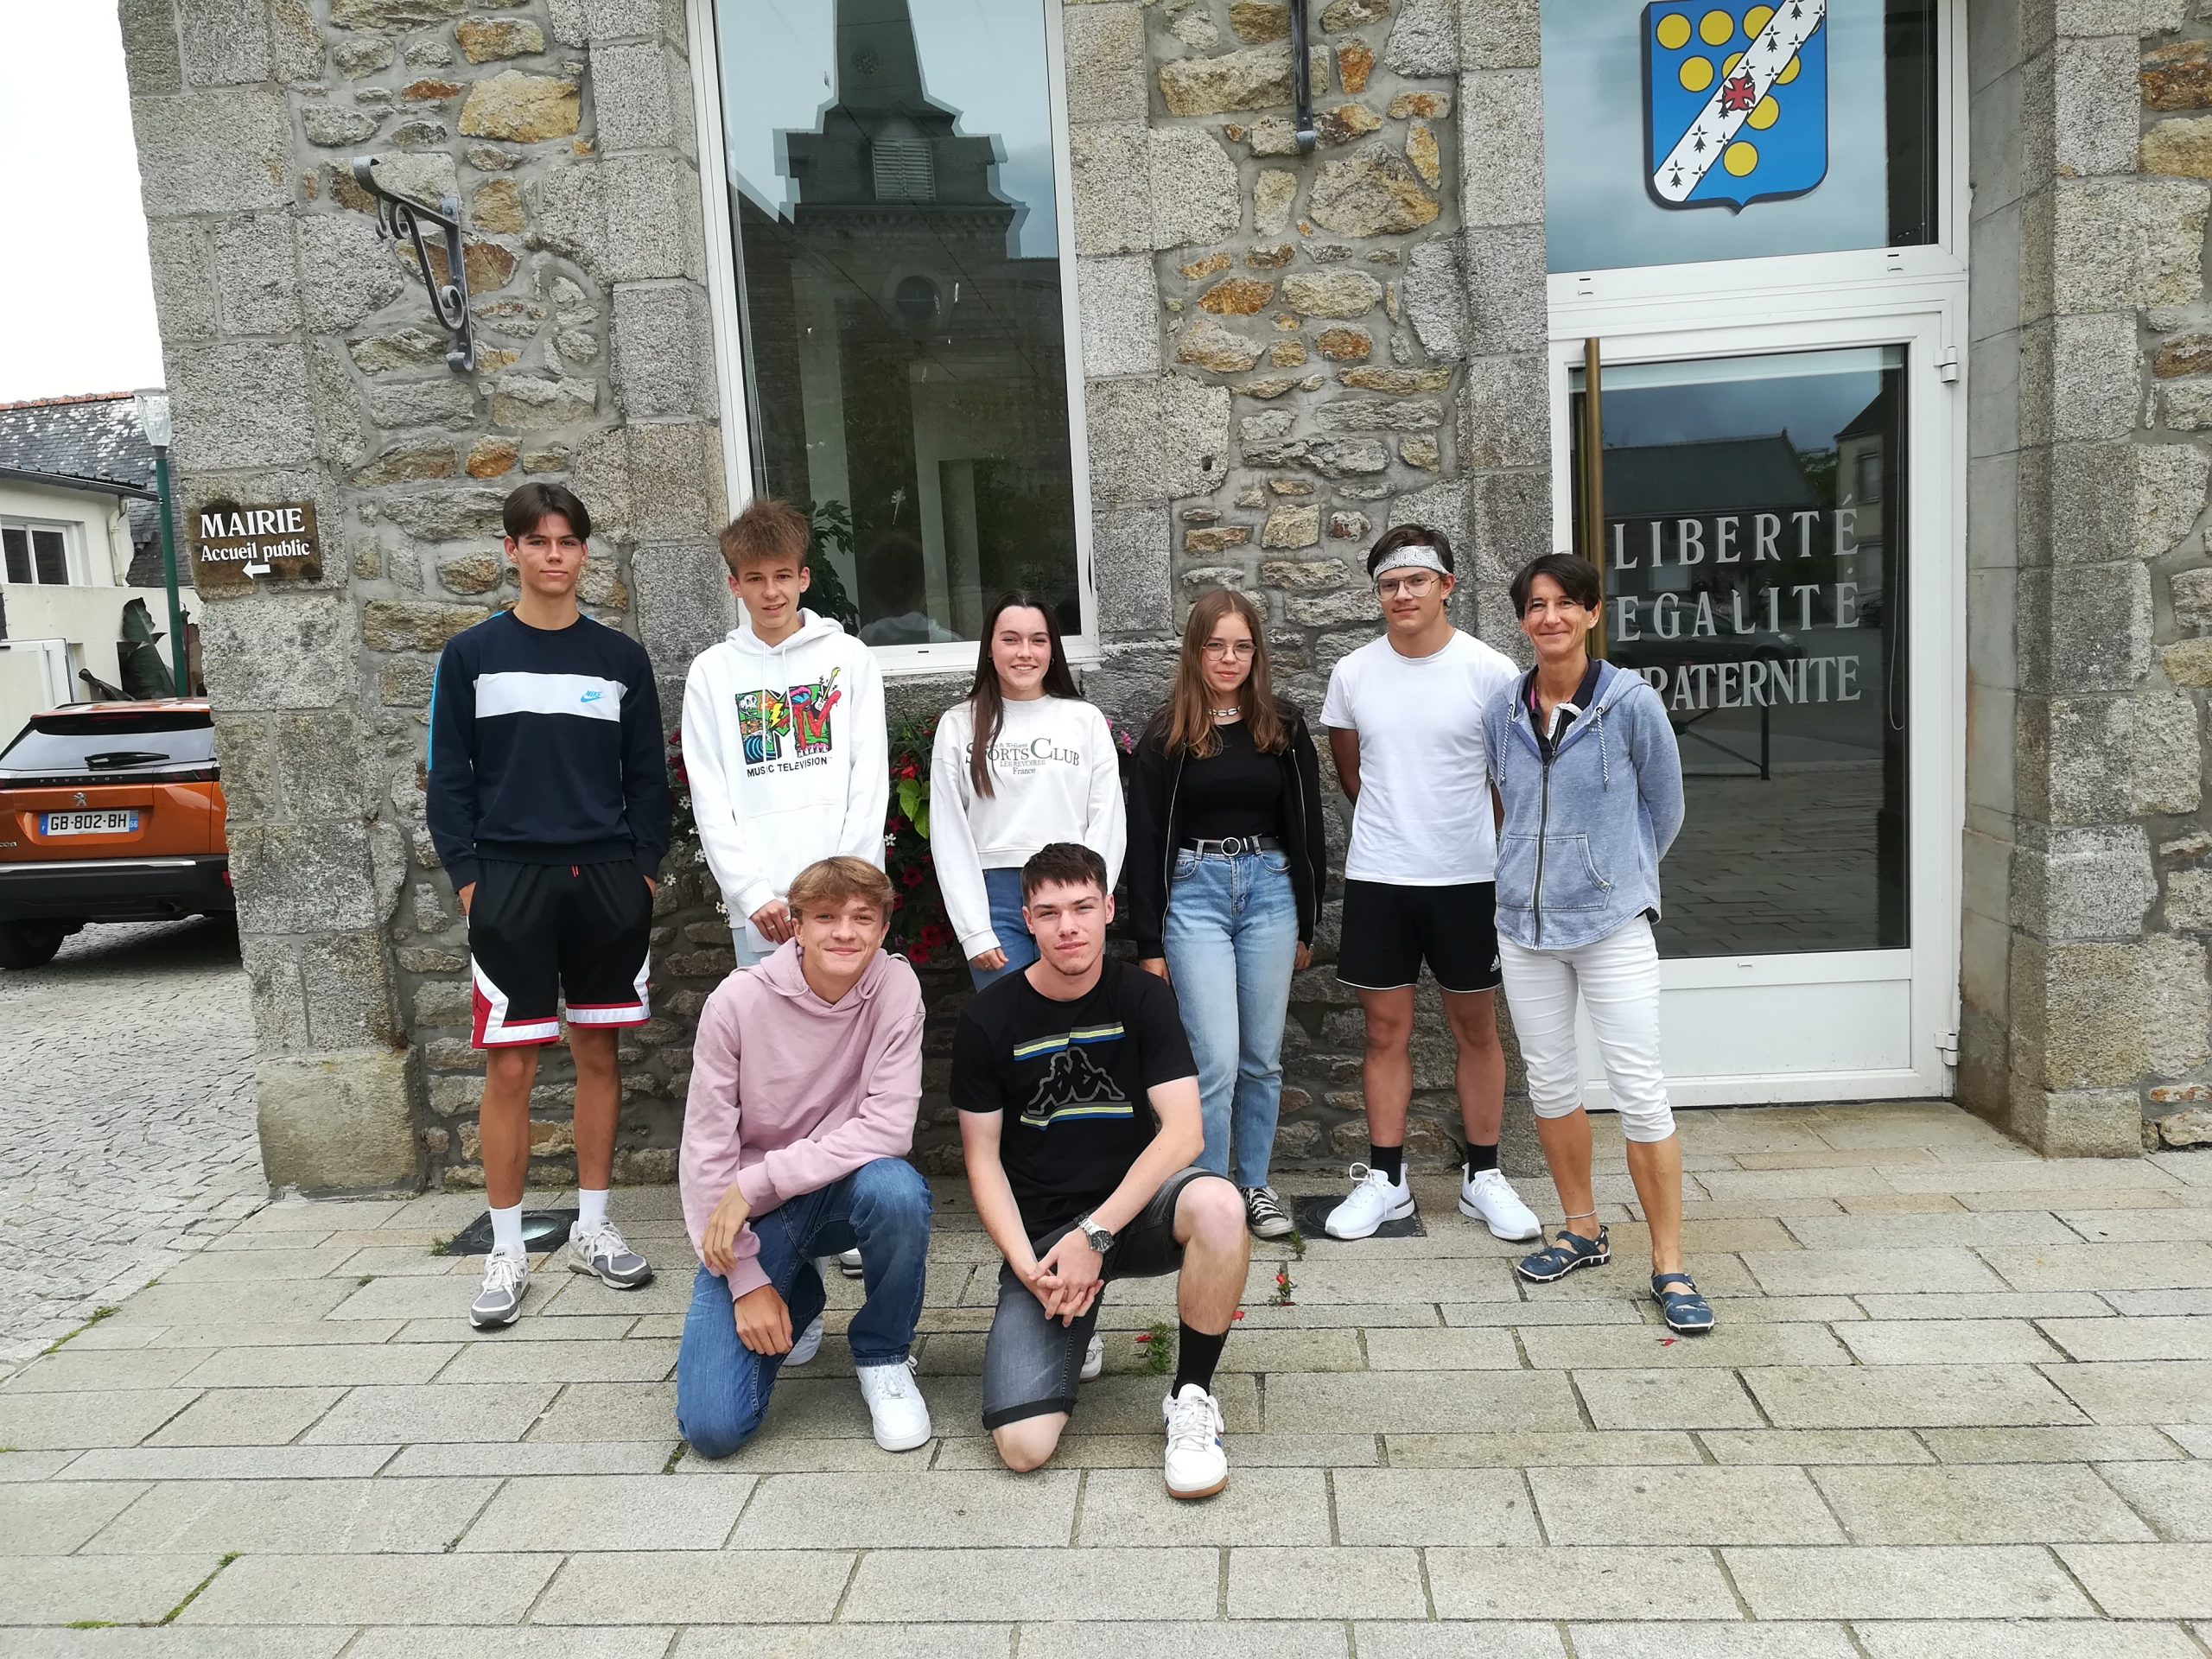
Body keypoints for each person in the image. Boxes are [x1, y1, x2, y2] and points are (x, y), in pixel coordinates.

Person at [427, 481, 670, 1328]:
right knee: (511, 1067)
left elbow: (648, 777)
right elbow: (448, 778)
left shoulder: (620, 659)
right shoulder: (470, 656)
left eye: (567, 541)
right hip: (509, 882)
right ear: (512, 551)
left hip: (605, 879)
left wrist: (641, 873)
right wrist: (471, 881)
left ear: (584, 553)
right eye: (538, 541)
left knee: (599, 1054)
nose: (554, 555)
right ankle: (506, 1248)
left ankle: (594, 1229)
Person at [955, 842, 1250, 1499]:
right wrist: (1027, 1266)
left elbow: (1185, 1133)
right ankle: (1073, 1323)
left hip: (1134, 1211)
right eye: (1049, 912)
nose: (1068, 927)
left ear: (1109, 909)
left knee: (1220, 1205)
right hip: (1045, 1238)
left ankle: (1191, 1398)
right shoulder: (986, 1019)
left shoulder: (1144, 997)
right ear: (1027, 920)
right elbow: (982, 1159)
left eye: (1083, 907)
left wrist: (1095, 1234)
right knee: (1023, 1449)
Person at [1486, 554, 1711, 1332]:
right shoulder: (1502, 708)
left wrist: (1614, 873)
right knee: (1551, 1084)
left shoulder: (1630, 703)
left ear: (1591, 613)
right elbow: (1504, 799)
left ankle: (1670, 1264)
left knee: (1640, 1088)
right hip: (1524, 928)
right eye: (1535, 605)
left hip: (1611, 925)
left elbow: (1666, 807)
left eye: (1564, 604)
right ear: (1522, 620)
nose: (1549, 617)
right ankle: (1581, 1229)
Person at [1318, 524, 1542, 1244]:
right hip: (1381, 877)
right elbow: (1352, 773)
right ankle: (1387, 1181)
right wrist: (1401, 827)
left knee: (1476, 1027)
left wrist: (1469, 840)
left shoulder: (1490, 671)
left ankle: (1484, 1177)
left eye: (1416, 580)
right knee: (1385, 1030)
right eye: (1389, 584)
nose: (1402, 594)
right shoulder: (1353, 673)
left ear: (1446, 586)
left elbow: (1511, 779)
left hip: (1468, 878)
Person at [676, 856, 937, 1452]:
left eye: (862, 918)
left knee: (897, 1190)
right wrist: (745, 1279)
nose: (844, 932)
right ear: (795, 926)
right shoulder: (736, 1002)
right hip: (761, 1214)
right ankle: (799, 1289)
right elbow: (706, 1150)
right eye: (825, 917)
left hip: (839, 1189)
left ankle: (884, 1354)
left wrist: (756, 1182)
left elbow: (889, 1128)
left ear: (882, 929)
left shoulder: (895, 986)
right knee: (714, 1429)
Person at [1126, 589, 1326, 1240]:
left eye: (1242, 646)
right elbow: (1145, 839)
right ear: (1196, 651)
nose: (1229, 658)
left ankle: (1255, 1185)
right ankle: (1208, 1196)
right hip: (1195, 894)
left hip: (1270, 891)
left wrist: (1308, 920)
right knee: (1212, 1057)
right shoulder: (1167, 735)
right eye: (1216, 645)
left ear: (1257, 654)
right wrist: (1148, 941)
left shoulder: (1283, 727)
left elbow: (1309, 826)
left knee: (1261, 1056)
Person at [682, 497, 888, 969]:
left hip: (847, 897)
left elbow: (870, 775)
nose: (771, 592)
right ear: (735, 585)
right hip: (763, 908)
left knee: (852, 1013)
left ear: (804, 578)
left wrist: (846, 882)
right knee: (770, 1016)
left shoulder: (849, 658)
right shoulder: (712, 672)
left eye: (782, 576)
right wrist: (751, 892)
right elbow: (709, 794)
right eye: (755, 578)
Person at [930, 593, 1126, 989]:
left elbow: (1108, 817)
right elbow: (948, 831)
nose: (1025, 652)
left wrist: (1088, 902)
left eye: (1038, 640)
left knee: (1078, 1016)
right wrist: (973, 929)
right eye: (1010, 639)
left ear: (1053, 650)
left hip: (1072, 891)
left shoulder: (1083, 719)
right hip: (995, 902)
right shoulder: (959, 724)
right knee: (1010, 1021)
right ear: (990, 649)